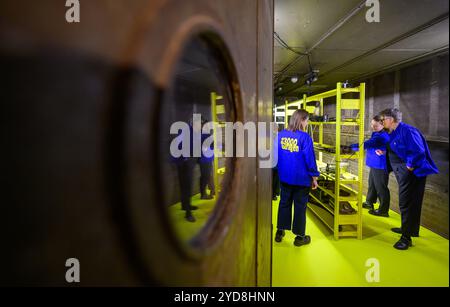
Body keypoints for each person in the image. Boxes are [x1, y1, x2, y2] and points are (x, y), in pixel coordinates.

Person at [379, 108, 438, 250]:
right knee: (412, 202)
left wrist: (409, 167)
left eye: (383, 119)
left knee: (406, 202)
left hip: (413, 173)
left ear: (391, 119)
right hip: (404, 171)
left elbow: (418, 151)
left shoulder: (408, 130)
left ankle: (406, 238)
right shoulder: (393, 132)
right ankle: (410, 230)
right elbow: (397, 148)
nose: (382, 122)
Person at [275, 109, 319, 247]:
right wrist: (314, 177)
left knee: (284, 203)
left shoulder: (281, 135)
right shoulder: (305, 138)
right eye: (306, 121)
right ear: (301, 120)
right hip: (301, 179)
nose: (307, 124)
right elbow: (309, 159)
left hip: (285, 177)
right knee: (300, 207)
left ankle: (280, 231)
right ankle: (300, 237)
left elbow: (276, 155)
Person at [358, 115, 391, 217]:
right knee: (372, 184)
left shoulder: (385, 135)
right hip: (374, 163)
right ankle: (369, 202)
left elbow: (392, 149)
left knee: (381, 187)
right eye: (372, 125)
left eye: (375, 125)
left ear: (382, 124)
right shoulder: (376, 133)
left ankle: (383, 210)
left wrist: (385, 152)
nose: (373, 127)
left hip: (380, 165)